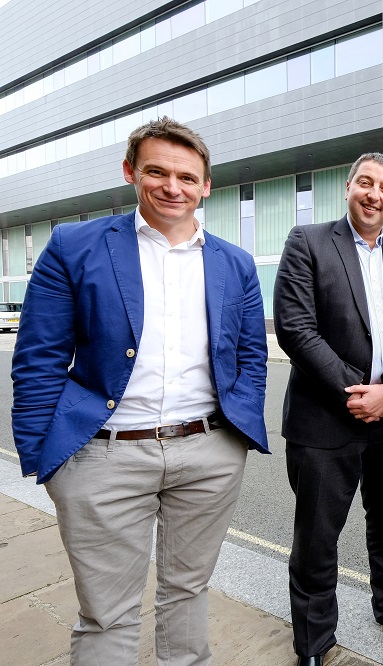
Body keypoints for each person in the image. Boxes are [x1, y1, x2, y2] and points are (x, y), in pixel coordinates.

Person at [10, 116, 269, 665]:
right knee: (107, 615)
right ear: (131, 172)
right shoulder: (73, 246)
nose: (172, 187)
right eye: (157, 171)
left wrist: (234, 439)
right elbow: (38, 359)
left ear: (206, 185)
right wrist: (44, 458)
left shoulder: (236, 263)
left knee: (189, 593)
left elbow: (249, 356)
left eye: (186, 176)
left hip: (207, 451)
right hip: (103, 455)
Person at [273, 152, 383, 666]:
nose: (374, 194)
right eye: (365, 183)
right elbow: (295, 327)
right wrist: (357, 391)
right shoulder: (309, 241)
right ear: (348, 187)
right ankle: (315, 643)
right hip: (324, 419)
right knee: (317, 537)